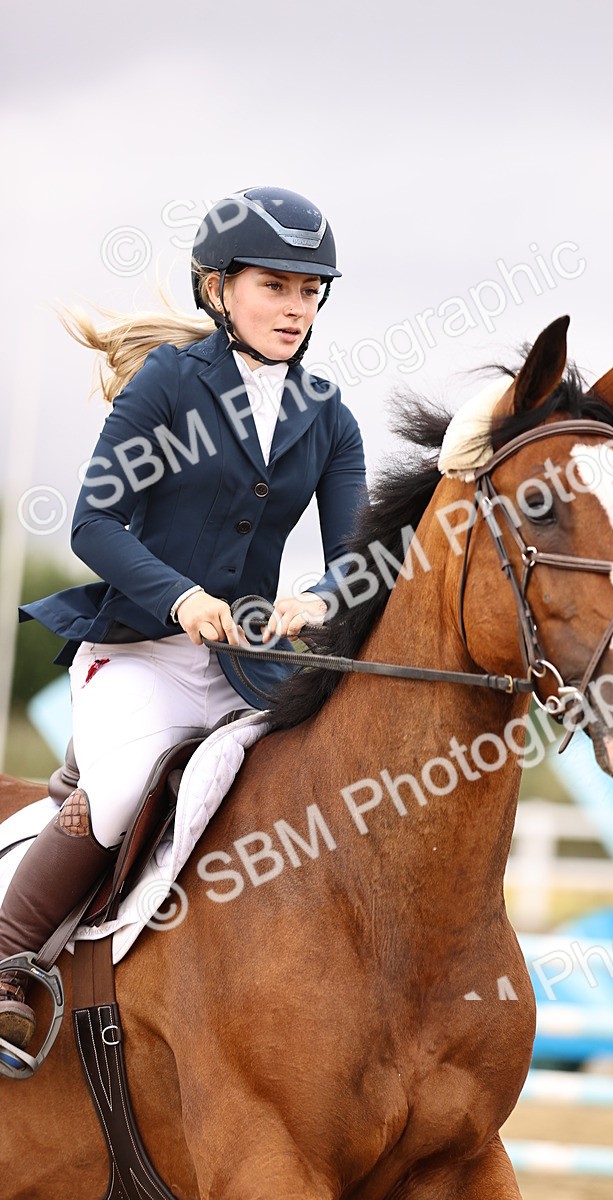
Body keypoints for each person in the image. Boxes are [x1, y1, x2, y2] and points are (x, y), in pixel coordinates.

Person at [0, 186, 366, 1055]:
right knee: (125, 786)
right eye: (275, 286)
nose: (296, 306)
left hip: (255, 672)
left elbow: (360, 555)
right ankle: (9, 958)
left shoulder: (328, 415)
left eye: (310, 290)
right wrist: (184, 598)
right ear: (217, 290)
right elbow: (93, 521)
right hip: (143, 655)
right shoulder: (170, 383)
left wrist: (320, 598)